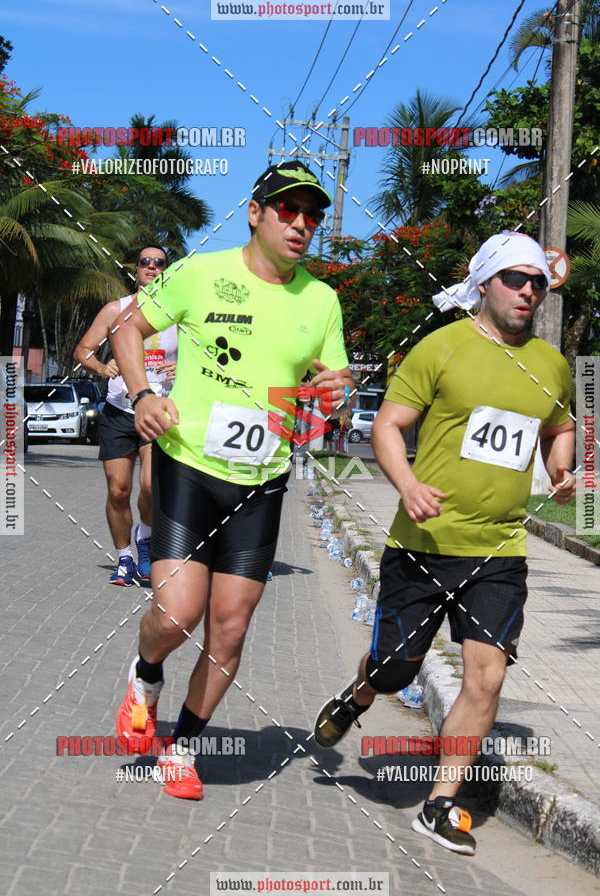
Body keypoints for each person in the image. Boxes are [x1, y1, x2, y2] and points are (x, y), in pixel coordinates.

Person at [313, 231, 575, 855]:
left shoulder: (551, 364)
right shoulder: (442, 347)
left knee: (487, 677)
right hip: (423, 544)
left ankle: (439, 804)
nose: (528, 291)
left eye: (537, 282)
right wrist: (406, 484)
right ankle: (359, 694)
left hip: (499, 551)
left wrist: (563, 469)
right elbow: (387, 425)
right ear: (484, 284)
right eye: (515, 279)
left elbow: (559, 426)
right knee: (394, 669)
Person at [110, 160, 354, 799]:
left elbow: (335, 388)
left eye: (313, 215)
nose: (301, 224)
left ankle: (183, 748)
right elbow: (128, 329)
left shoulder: (321, 300)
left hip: (261, 480)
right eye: (288, 210)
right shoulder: (201, 273)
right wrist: (142, 395)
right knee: (177, 614)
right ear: (255, 212)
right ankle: (146, 673)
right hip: (189, 466)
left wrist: (337, 391)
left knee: (230, 628)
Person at [74, 245, 177, 586]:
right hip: (119, 410)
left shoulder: (177, 312)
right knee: (118, 490)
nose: (152, 267)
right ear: (136, 269)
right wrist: (101, 367)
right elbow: (83, 350)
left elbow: (206, 353)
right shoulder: (115, 310)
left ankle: (145, 539)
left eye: (159, 263)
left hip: (157, 409)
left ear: (166, 270)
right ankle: (124, 557)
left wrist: (183, 367)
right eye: (146, 262)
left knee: (149, 486)